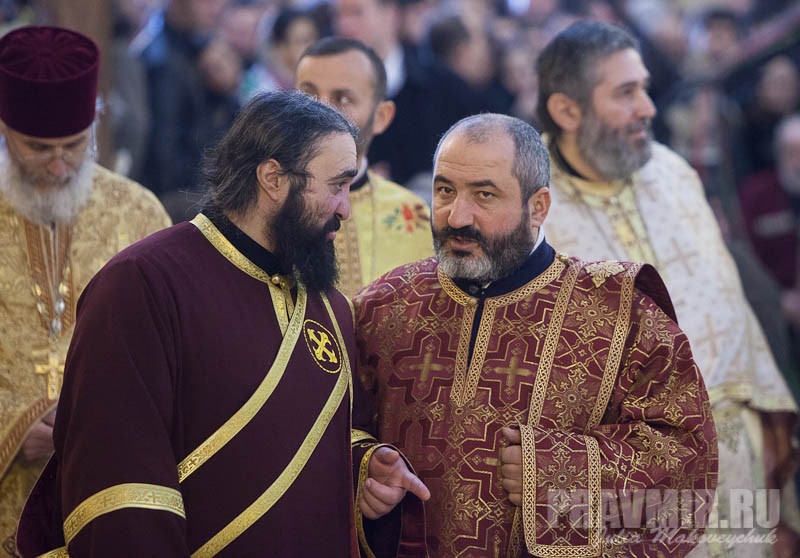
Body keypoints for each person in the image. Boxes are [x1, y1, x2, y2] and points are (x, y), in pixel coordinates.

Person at [16, 90, 429, 558]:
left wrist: (366, 470)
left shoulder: (329, 306)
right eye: (337, 185)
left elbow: (327, 438)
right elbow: (120, 482)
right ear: (273, 179)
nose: (345, 208)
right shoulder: (143, 284)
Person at [354, 113, 718, 557]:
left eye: (484, 195)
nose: (456, 215)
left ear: (538, 207)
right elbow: (327, 426)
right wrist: (365, 470)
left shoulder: (621, 311)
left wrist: (556, 471)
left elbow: (685, 457)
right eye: (445, 190)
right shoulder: (383, 306)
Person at [536, 20, 799, 557]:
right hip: (632, 477)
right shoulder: (533, 207)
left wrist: (768, 423)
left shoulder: (675, 174)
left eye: (645, 88)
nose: (648, 108)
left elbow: (729, 303)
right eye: (625, 93)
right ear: (567, 110)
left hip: (736, 453)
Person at [0, 25, 171, 556]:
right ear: (4, 128)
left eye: (73, 146)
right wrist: (12, 426)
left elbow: (172, 354)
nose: (58, 166)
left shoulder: (138, 212)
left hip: (104, 492)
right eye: (37, 148)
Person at [295, 37, 431, 297]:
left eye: (343, 99)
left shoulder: (417, 219)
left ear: (382, 117)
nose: (319, 110)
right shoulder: (264, 205)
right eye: (307, 95)